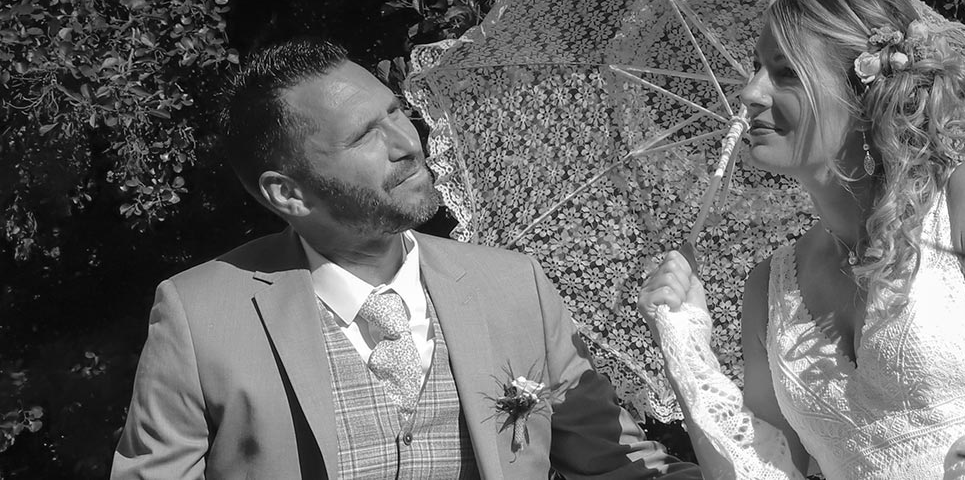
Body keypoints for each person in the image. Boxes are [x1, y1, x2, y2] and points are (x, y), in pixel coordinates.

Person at [112, 38, 701, 480]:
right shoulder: (199, 313)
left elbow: (617, 464)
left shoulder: (513, 285)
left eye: (396, 111)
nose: (407, 143)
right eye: (365, 135)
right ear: (288, 192)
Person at [639, 0, 965, 479]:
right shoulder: (768, 287)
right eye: (755, 68)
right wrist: (684, 347)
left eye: (785, 72)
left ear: (864, 96)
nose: (749, 92)